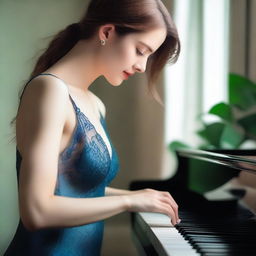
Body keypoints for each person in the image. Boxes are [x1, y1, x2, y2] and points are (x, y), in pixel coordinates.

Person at [5, 0, 181, 255]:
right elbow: (37, 211)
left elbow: (78, 189)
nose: (142, 66)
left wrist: (143, 198)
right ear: (107, 32)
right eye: (141, 50)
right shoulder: (50, 90)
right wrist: (129, 201)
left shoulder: (94, 103)